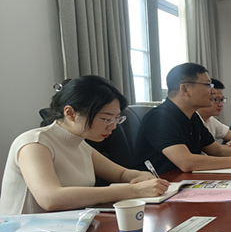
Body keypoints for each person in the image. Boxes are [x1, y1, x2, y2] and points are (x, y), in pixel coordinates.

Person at [0, 76, 169, 215]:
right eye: (106, 119)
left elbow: (121, 174)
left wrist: (141, 176)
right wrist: (134, 190)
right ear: (70, 113)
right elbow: (50, 199)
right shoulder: (35, 143)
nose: (113, 126)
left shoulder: (81, 144)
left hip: (64, 230)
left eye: (116, 118)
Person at [135, 63, 231, 175]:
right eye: (208, 85)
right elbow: (187, 162)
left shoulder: (193, 117)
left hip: (185, 182)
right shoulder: (160, 119)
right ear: (185, 89)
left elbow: (216, 150)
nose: (213, 91)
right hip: (160, 188)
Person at [197, 79, 231, 151]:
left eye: (222, 100)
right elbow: (216, 151)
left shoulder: (211, 120)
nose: (221, 105)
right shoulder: (192, 121)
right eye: (216, 99)